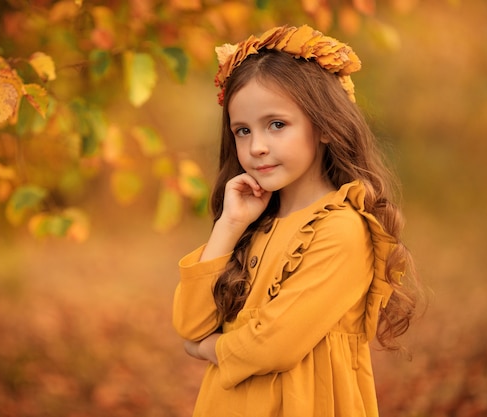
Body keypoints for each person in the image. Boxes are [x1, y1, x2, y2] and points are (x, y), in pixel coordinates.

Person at [172, 24, 421, 417]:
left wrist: (209, 349)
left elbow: (273, 344)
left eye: (277, 125)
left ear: (322, 125)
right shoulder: (254, 224)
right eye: (242, 130)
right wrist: (229, 227)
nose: (256, 147)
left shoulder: (342, 229)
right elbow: (190, 321)